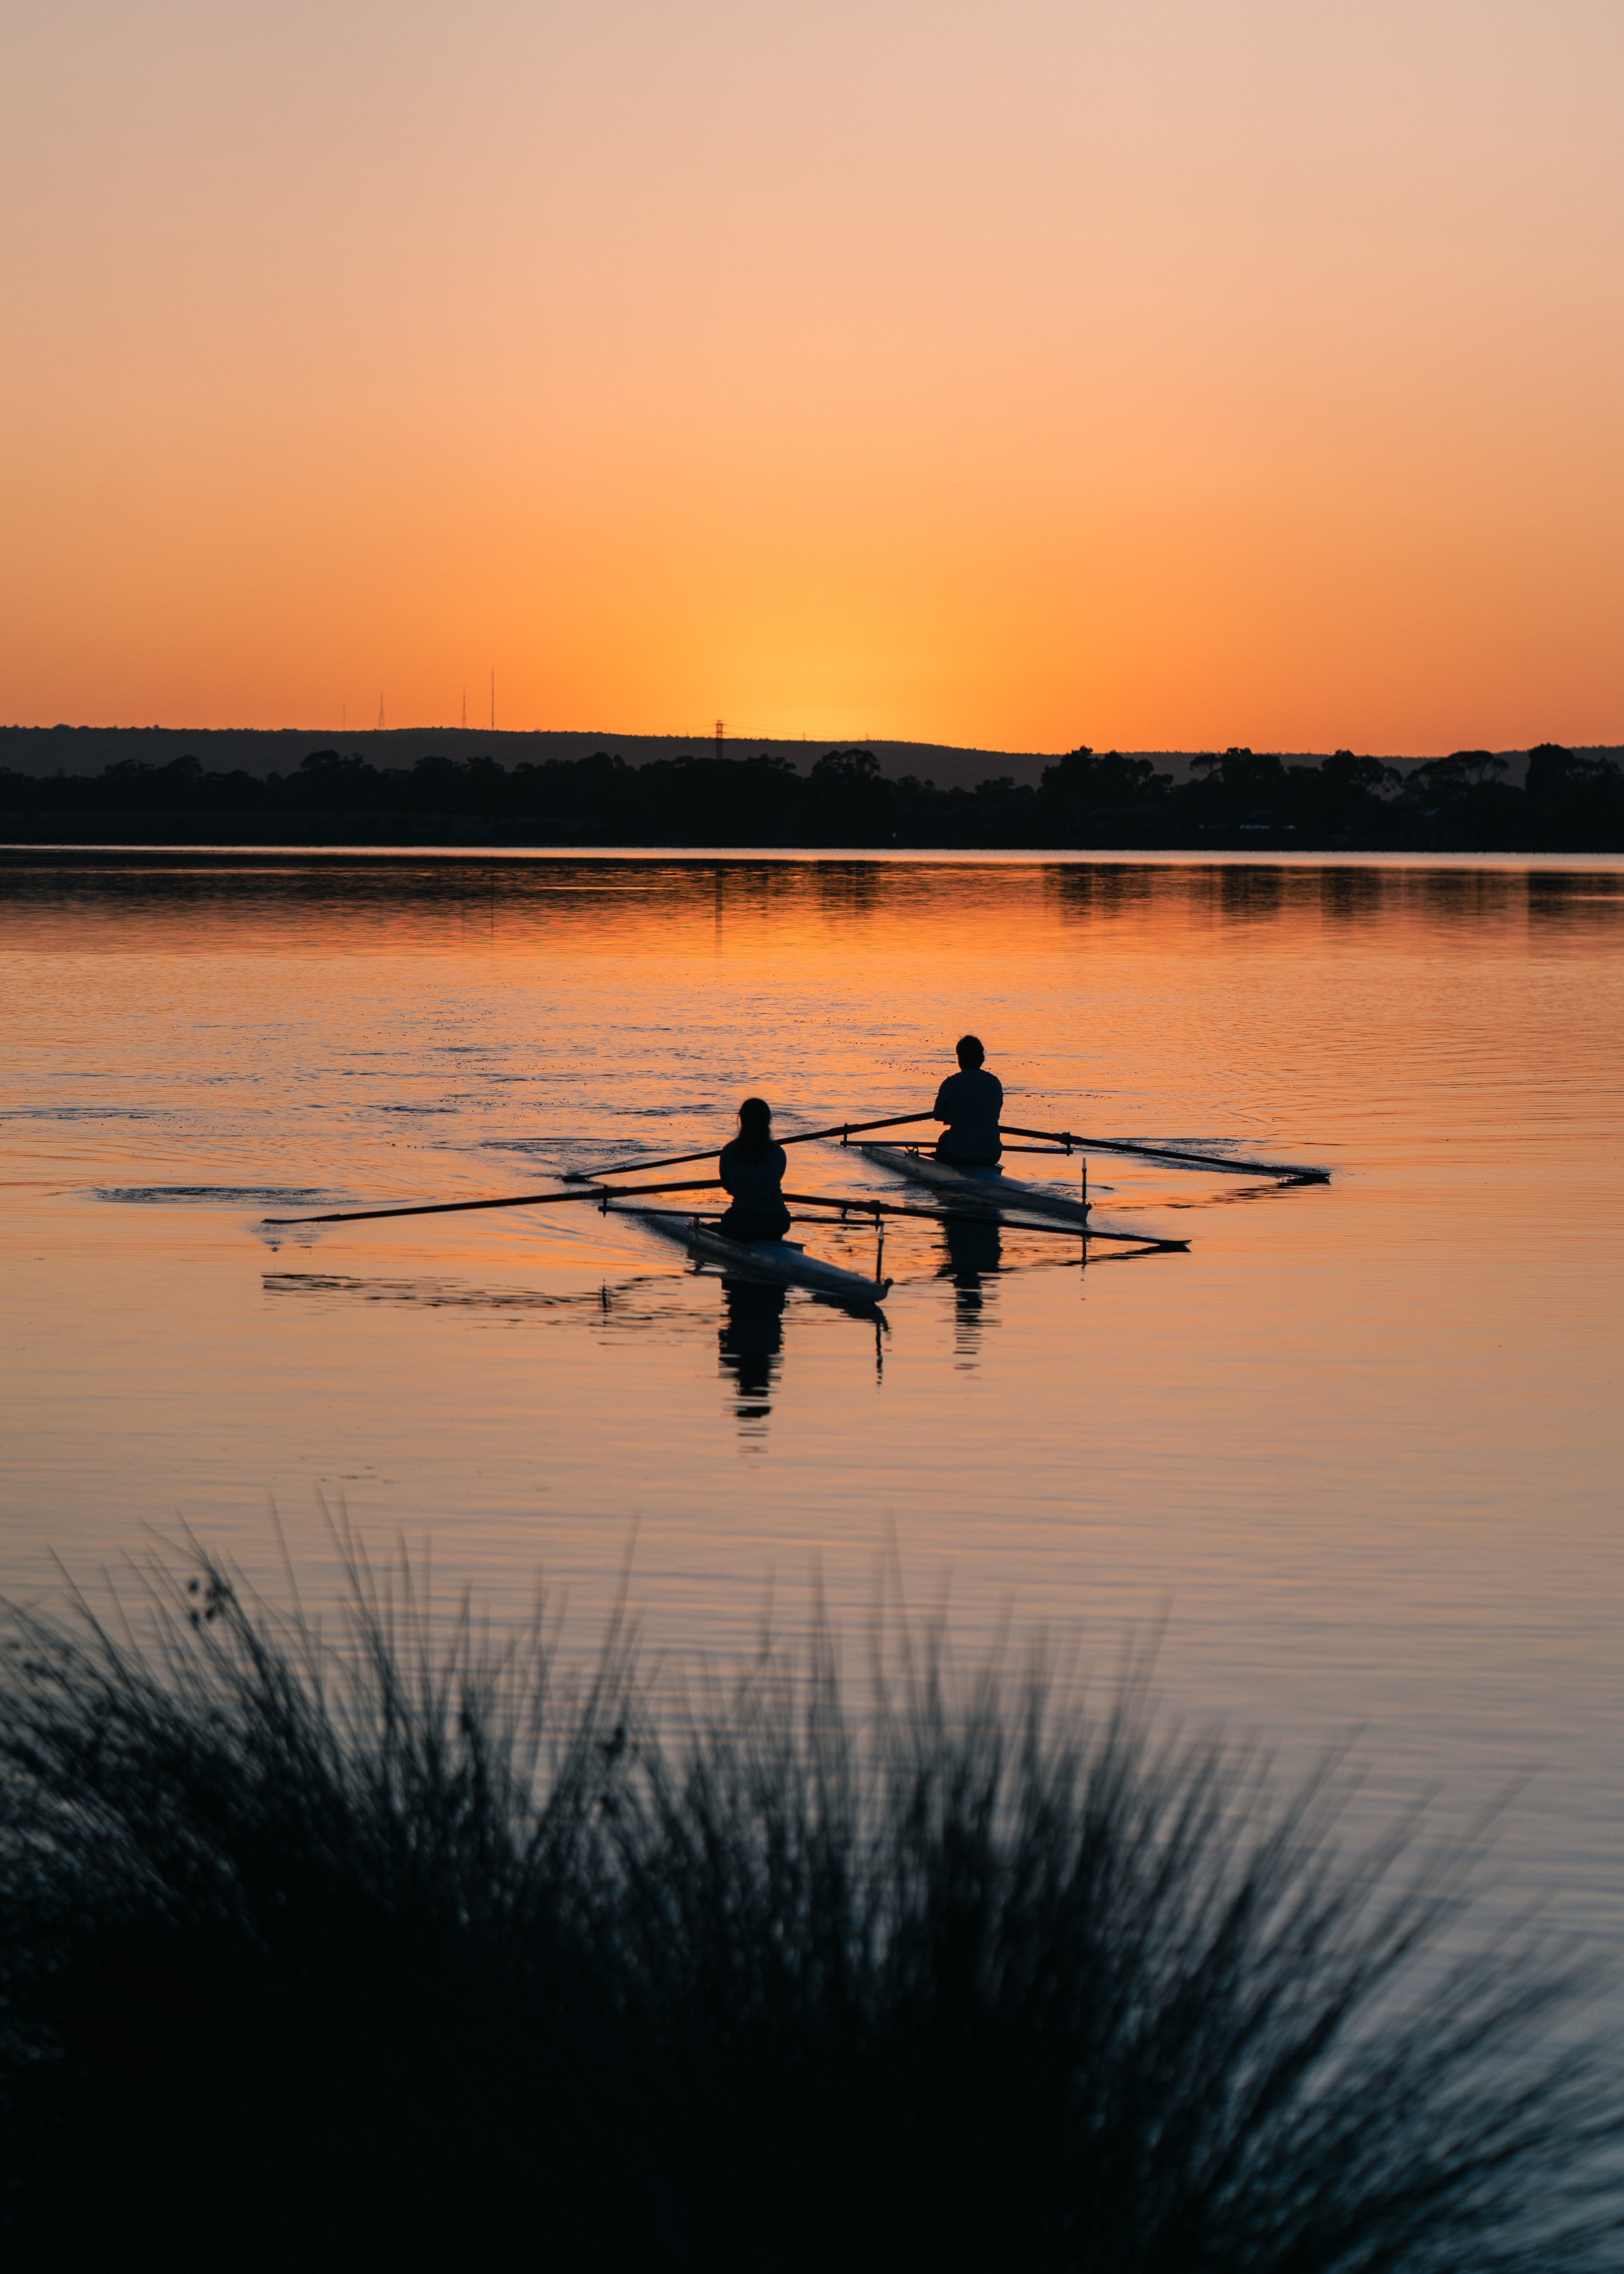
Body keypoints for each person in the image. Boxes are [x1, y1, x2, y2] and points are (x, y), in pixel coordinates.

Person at [717, 1096, 792, 1242]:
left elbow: (727, 1186)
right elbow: (774, 1180)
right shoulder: (778, 1152)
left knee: (728, 1221)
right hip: (778, 1221)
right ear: (768, 1121)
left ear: (742, 1120)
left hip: (743, 1221)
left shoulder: (729, 1150)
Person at [933, 1034, 1004, 1165]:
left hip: (959, 1154)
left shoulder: (951, 1083)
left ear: (960, 1059)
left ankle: (939, 1167)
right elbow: (995, 1112)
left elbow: (938, 1115)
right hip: (993, 1154)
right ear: (981, 1059)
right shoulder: (994, 1082)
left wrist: (952, 1117)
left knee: (945, 1137)